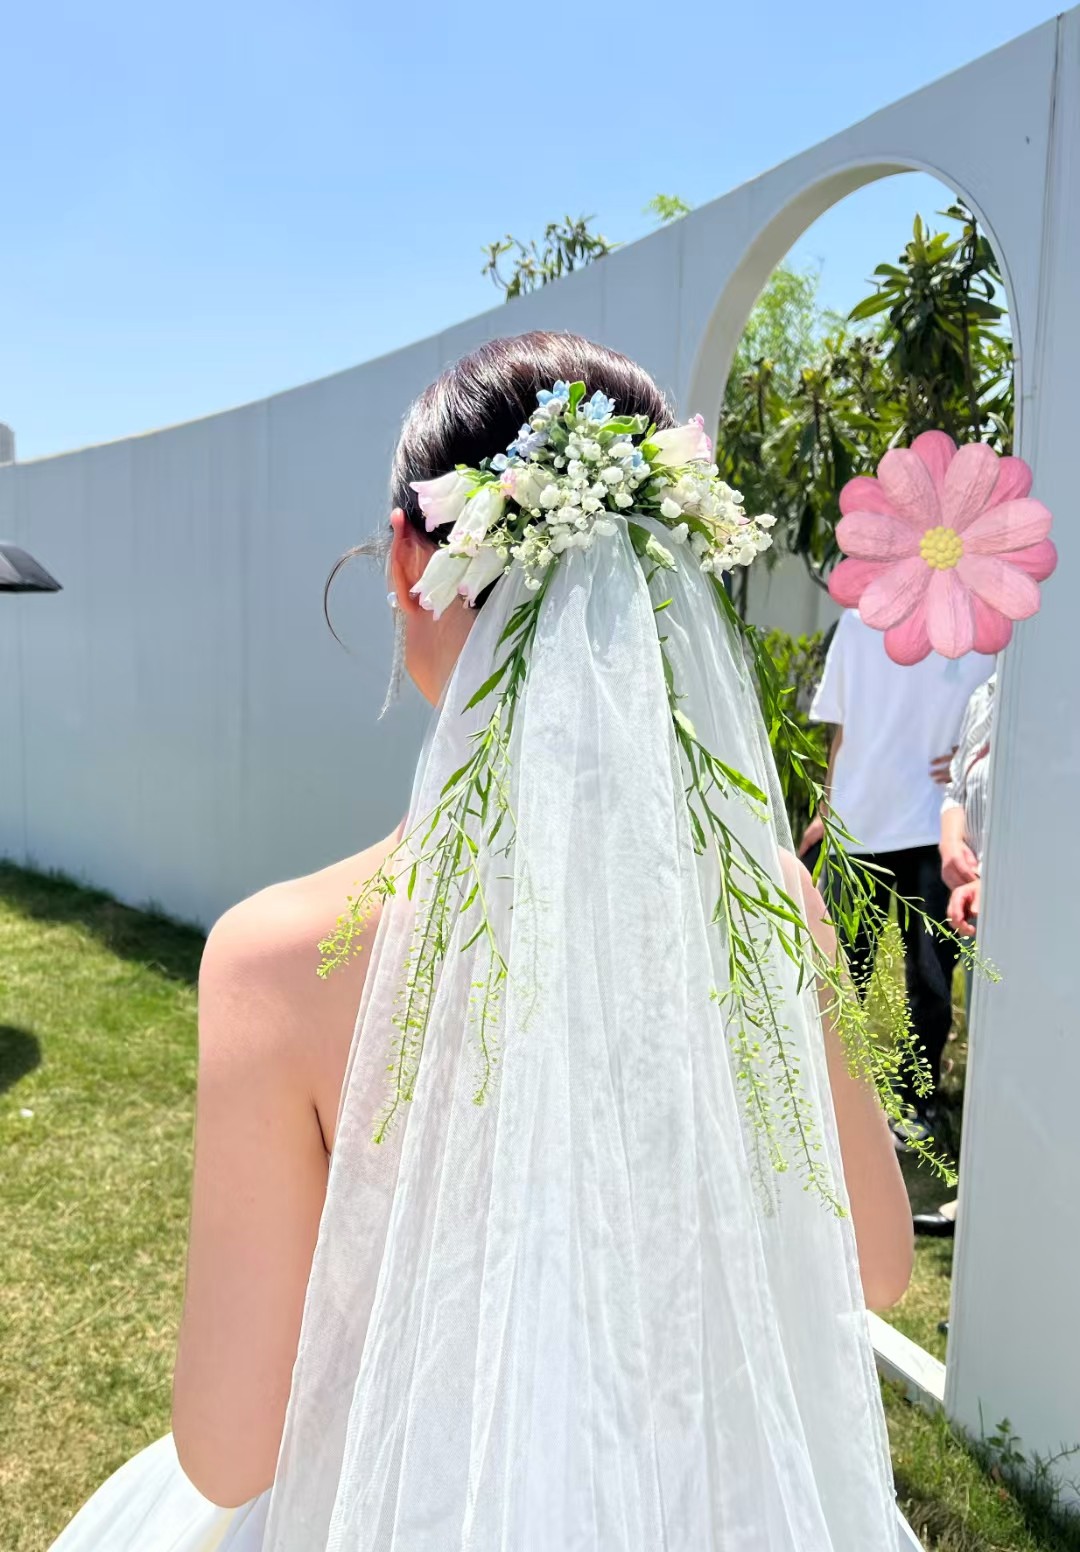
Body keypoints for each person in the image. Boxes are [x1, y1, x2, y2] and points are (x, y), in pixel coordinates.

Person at [51, 333, 919, 1551]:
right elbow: (876, 1263)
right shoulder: (768, 896)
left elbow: (232, 1448)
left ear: (410, 560)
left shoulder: (278, 961)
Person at [802, 608, 994, 1149]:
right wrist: (827, 810)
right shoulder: (857, 621)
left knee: (930, 980)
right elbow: (843, 730)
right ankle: (826, 1097)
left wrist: (971, 753)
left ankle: (917, 1104)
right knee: (841, 970)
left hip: (933, 826)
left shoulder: (977, 624)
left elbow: (999, 712)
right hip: (858, 825)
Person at [913, 673, 996, 1237]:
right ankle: (981, 1195)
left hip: (1032, 904)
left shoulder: (1053, 688)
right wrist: (951, 847)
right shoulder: (986, 693)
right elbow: (956, 789)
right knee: (992, 1052)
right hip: (980, 906)